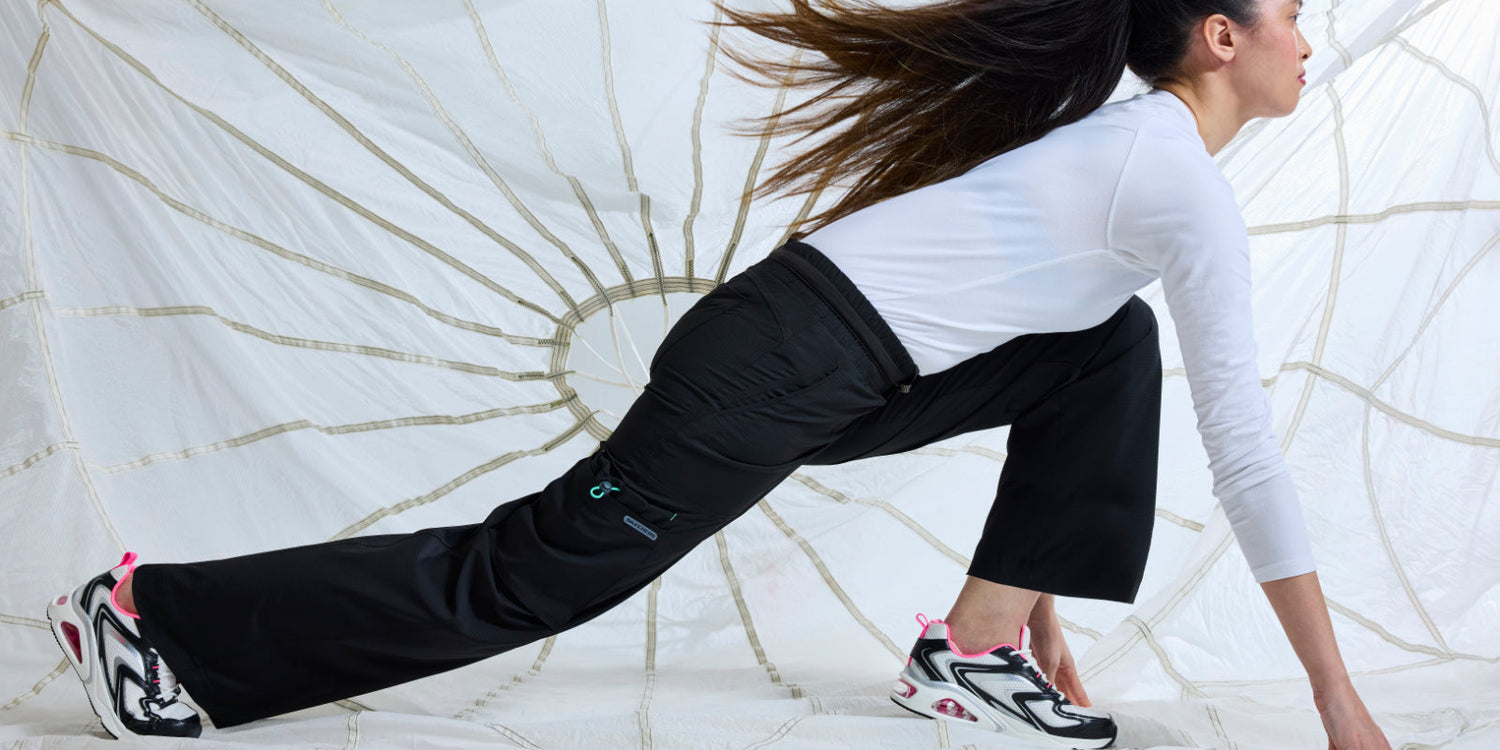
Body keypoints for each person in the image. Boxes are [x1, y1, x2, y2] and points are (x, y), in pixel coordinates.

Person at [43, 0, 1393, 747]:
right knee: (533, 574)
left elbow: (1080, 385)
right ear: (1218, 37)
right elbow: (1247, 453)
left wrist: (1030, 588)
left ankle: (972, 649)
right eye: (1287, 11)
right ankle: (157, 623)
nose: (1308, 32)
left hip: (843, 362)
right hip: (778, 357)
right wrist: (1340, 704)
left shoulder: (1142, 161)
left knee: (1108, 342)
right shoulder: (1173, 178)